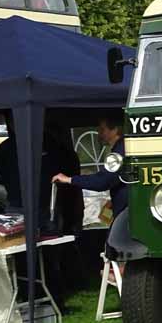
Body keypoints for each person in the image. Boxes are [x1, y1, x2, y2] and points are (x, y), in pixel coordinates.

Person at [51, 115, 126, 279]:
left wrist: (70, 179)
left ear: (115, 130)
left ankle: (121, 273)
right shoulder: (119, 150)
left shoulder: (120, 152)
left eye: (102, 129)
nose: (99, 133)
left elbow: (103, 181)